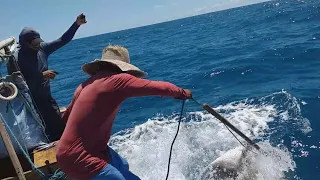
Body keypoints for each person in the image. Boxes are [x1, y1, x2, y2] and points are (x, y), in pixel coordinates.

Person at [56, 45, 192, 180]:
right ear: (122, 67)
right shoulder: (117, 80)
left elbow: (66, 118)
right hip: (80, 157)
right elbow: (161, 88)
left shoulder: (83, 85)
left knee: (122, 166)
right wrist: (182, 93)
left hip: (75, 152)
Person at [14, 14, 87, 142]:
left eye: (38, 42)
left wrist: (76, 25)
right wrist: (41, 76)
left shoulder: (42, 49)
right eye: (34, 43)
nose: (37, 45)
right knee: (52, 133)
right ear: (25, 43)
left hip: (47, 98)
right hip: (32, 103)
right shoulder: (16, 59)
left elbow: (62, 40)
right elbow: (19, 84)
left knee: (59, 127)